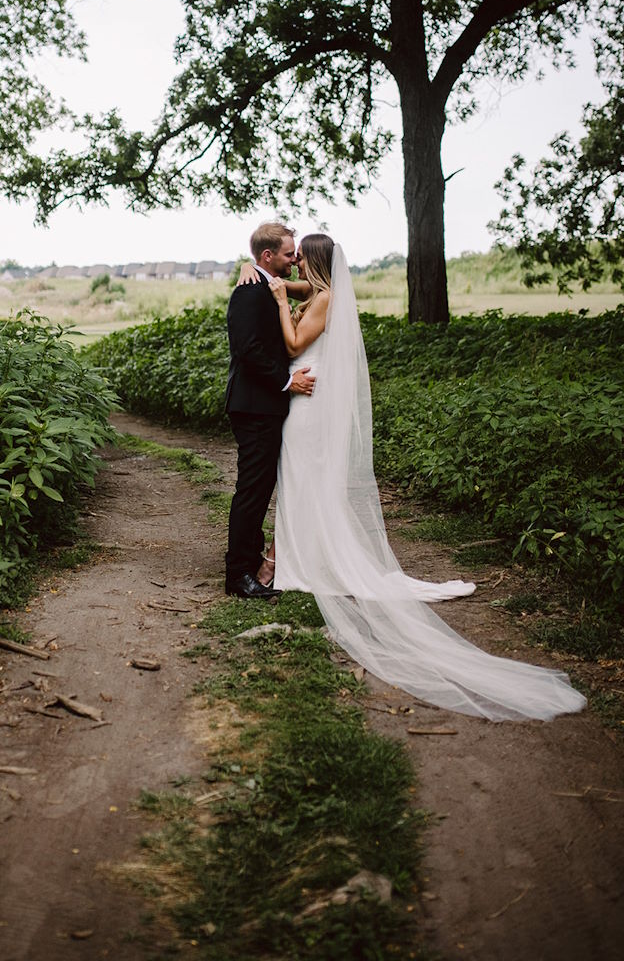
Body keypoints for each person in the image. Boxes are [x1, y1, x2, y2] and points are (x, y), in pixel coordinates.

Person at [239, 233, 586, 721]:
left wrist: (277, 298)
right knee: (298, 484)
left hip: (308, 405)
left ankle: (277, 562)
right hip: (302, 400)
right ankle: (283, 557)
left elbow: (295, 340)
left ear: (312, 263)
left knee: (302, 483)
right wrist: (253, 272)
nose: (292, 265)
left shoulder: (325, 298)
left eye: (299, 258)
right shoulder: (316, 292)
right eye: (288, 258)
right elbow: (286, 284)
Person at [224, 222, 315, 599]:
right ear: (268, 256)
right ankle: (239, 575)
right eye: (289, 253)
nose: (295, 258)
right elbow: (248, 351)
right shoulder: (249, 292)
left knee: (259, 489)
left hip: (263, 406)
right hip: (255, 405)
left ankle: (247, 560)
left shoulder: (265, 285)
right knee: (252, 490)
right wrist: (286, 381)